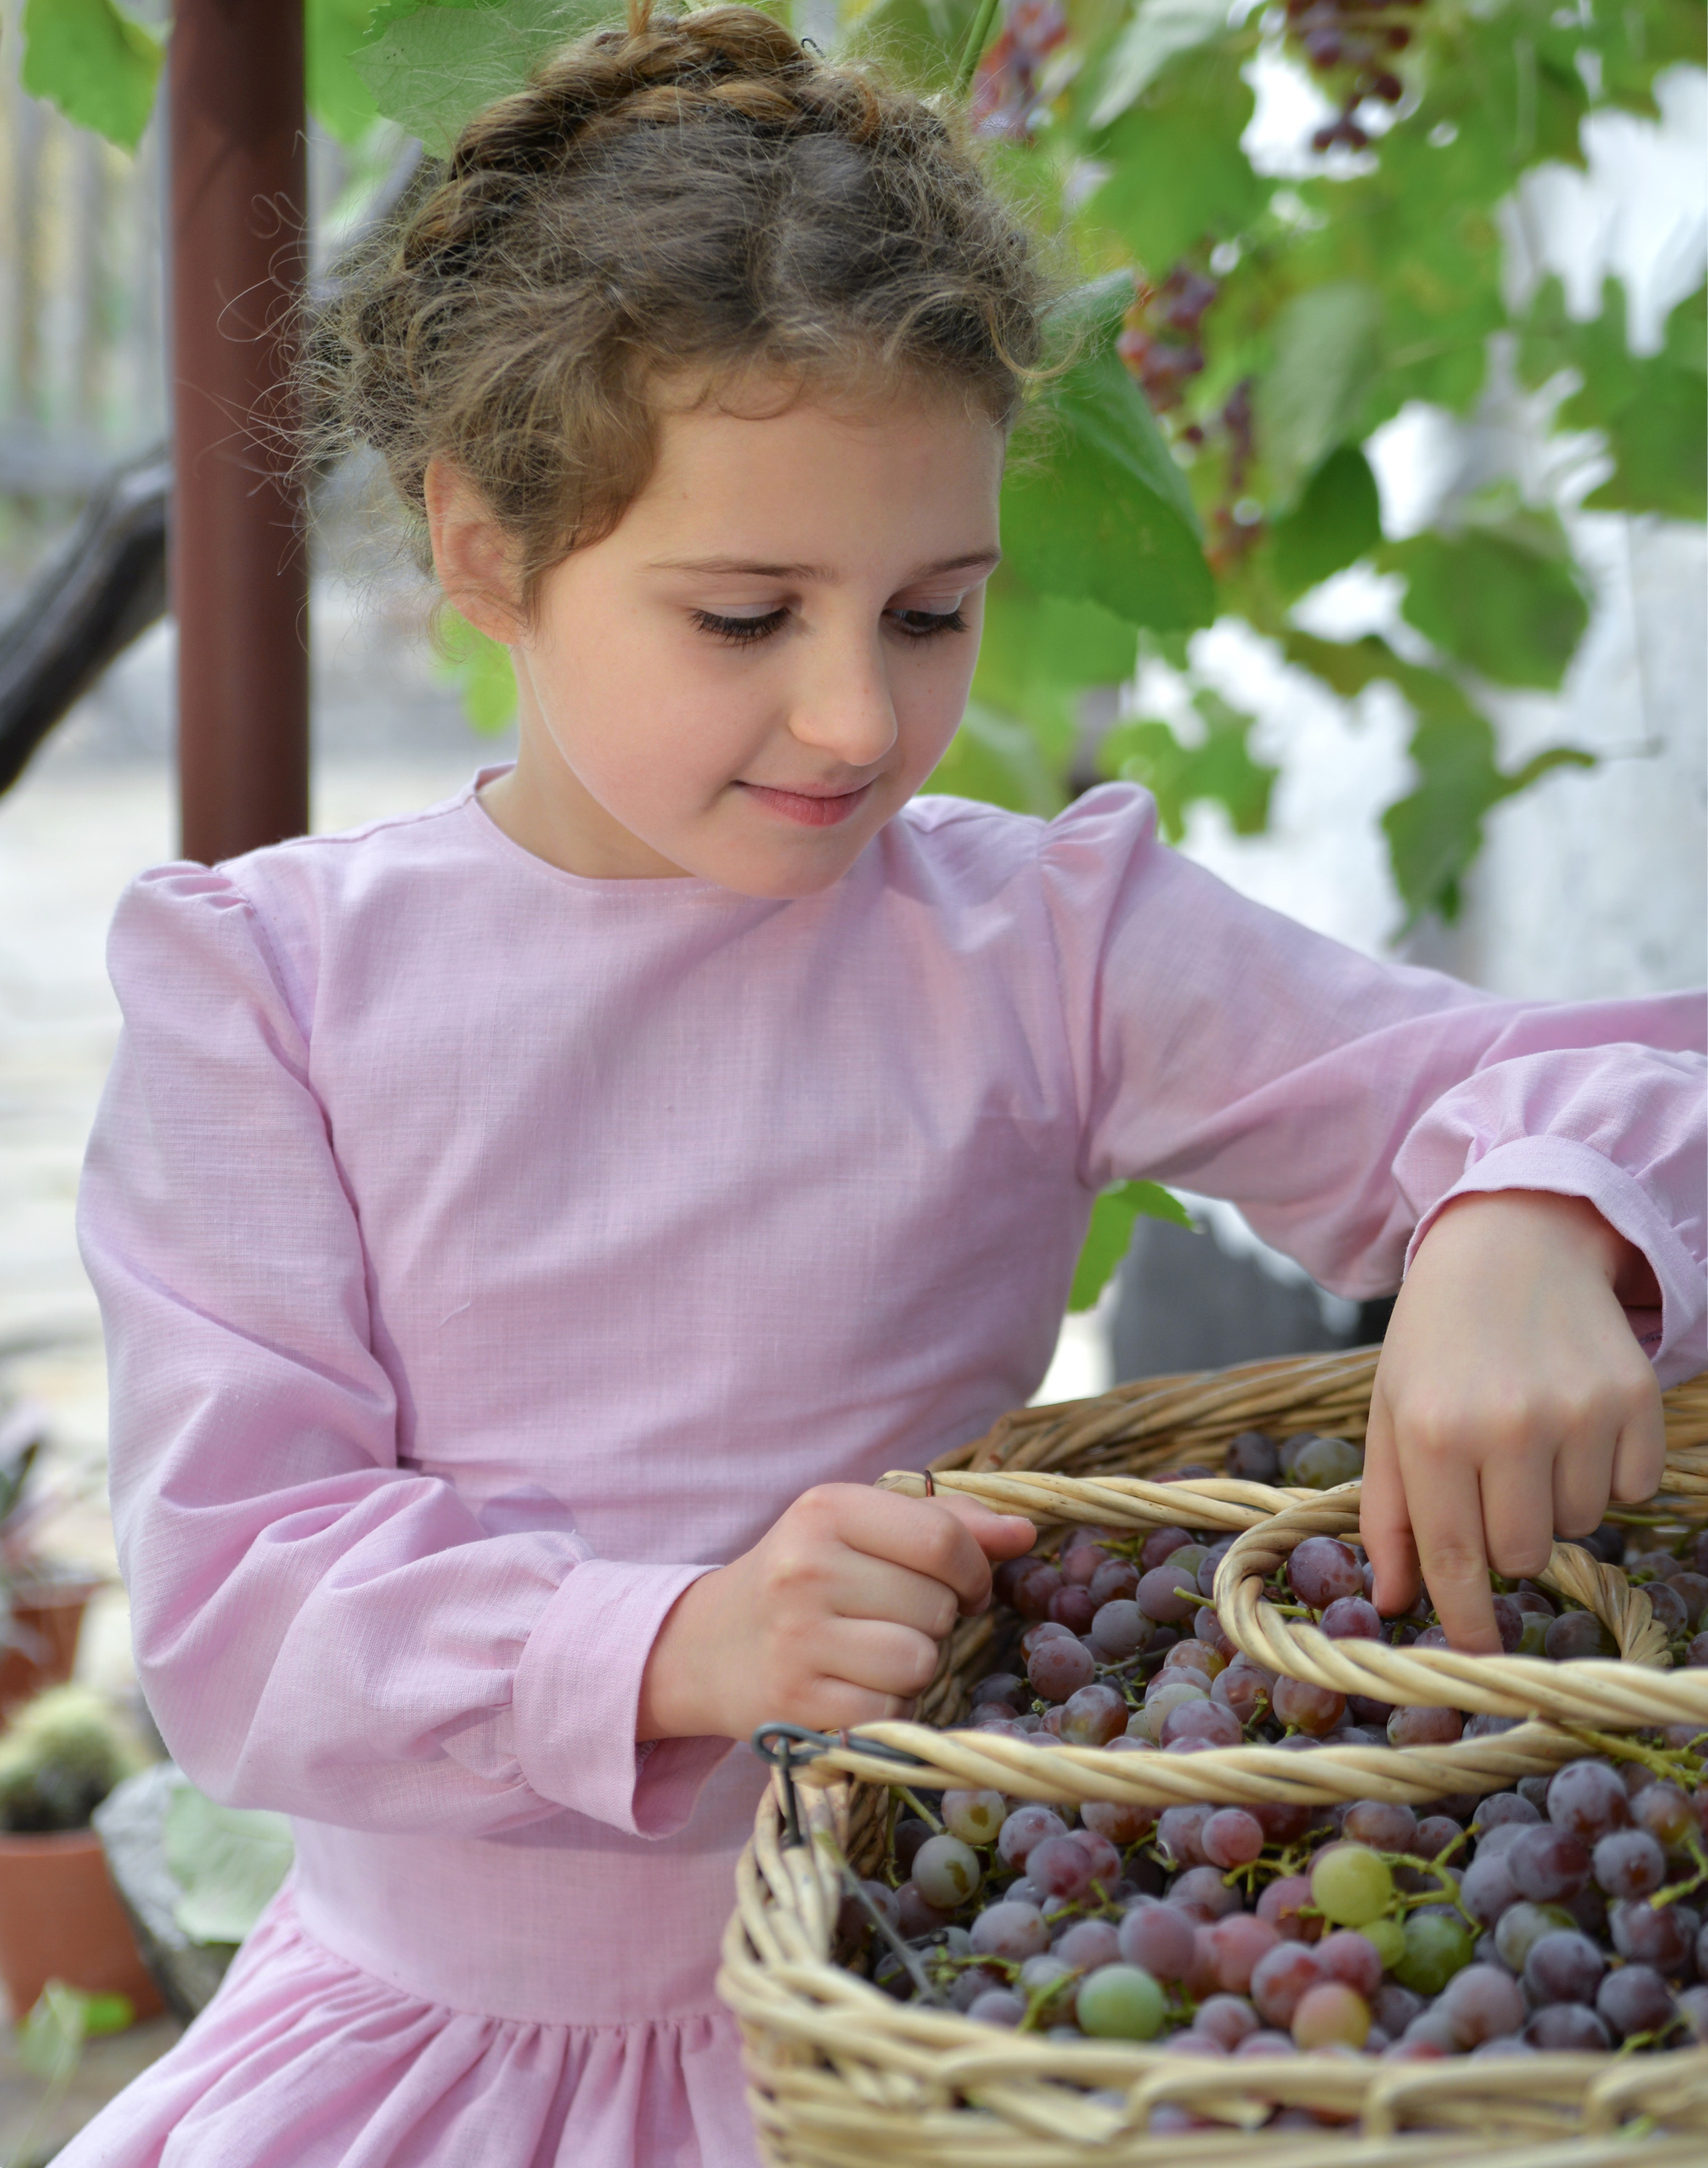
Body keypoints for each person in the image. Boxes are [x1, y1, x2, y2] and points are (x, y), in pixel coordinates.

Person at [65, 5, 1703, 2163]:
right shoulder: (267, 990)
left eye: (933, 613)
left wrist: (1527, 1211)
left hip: (943, 2031)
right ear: (482, 548)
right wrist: (678, 1640)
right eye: (746, 615)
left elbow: (1580, 1084)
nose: (855, 715)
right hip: (457, 2065)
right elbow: (237, 1597)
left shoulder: (1038, 941)